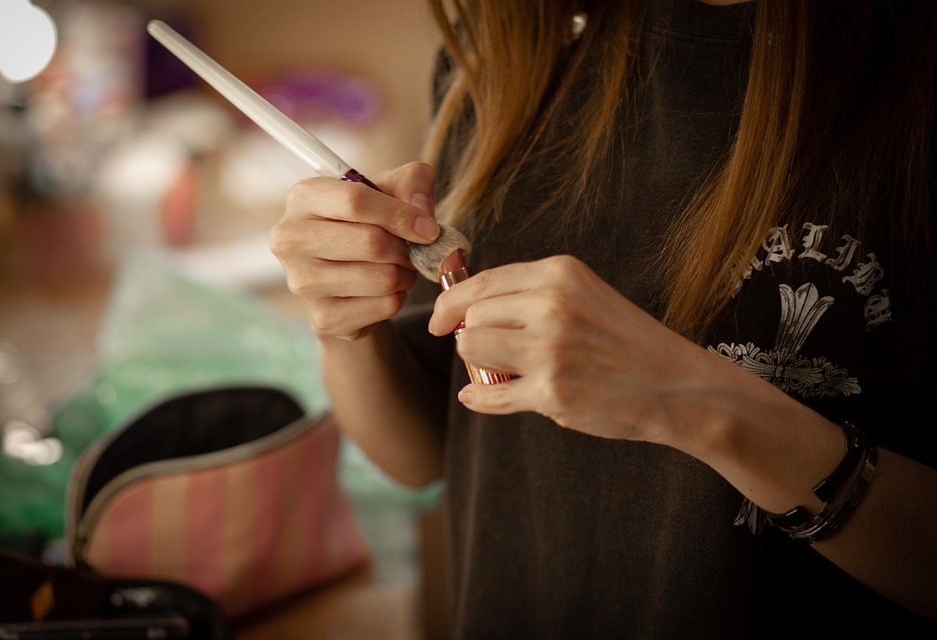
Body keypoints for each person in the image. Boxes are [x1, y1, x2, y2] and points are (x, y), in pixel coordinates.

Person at [270, 0, 937, 636]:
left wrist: (700, 404)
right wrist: (348, 326)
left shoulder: (901, 82)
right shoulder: (513, 55)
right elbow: (427, 452)